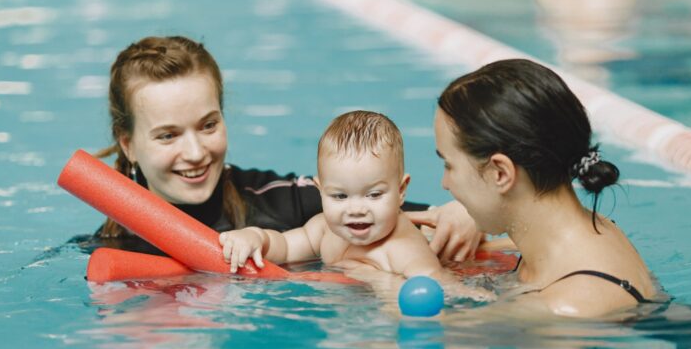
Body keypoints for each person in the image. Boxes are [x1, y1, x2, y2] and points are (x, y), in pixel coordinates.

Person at [92, 35, 481, 261]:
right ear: (128, 144)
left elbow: (400, 208)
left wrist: (463, 214)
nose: (195, 152)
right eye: (168, 135)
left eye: (208, 125)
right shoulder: (115, 245)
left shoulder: (284, 202)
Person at [433, 58, 662, 317]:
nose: (444, 183)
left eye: (449, 165)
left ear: (500, 173)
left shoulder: (562, 308)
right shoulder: (591, 230)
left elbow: (432, 341)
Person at [219, 110, 492, 300]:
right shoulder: (325, 229)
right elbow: (286, 247)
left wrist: (470, 296)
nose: (356, 209)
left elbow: (435, 283)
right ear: (320, 191)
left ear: (401, 192)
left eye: (373, 195)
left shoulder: (402, 248)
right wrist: (254, 236)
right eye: (340, 196)